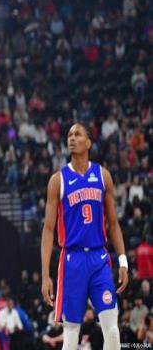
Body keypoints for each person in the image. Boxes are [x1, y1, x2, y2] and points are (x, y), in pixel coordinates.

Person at [41, 123, 129, 350]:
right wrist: (45, 275)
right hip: (72, 260)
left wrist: (123, 261)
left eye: (77, 134)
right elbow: (48, 230)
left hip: (99, 258)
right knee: (71, 335)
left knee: (112, 329)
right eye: (69, 135)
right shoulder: (58, 180)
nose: (71, 138)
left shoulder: (103, 175)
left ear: (88, 142)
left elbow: (113, 224)